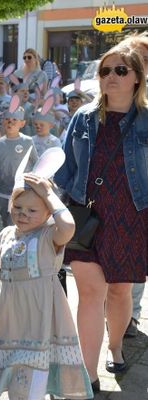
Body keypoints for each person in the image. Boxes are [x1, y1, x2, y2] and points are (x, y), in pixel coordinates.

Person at [54, 42, 148, 390]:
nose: (111, 76)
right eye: (105, 71)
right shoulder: (84, 117)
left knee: (120, 292)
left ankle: (117, 345)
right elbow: (64, 169)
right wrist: (42, 201)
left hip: (133, 216)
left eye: (120, 70)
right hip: (87, 216)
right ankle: (87, 374)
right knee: (91, 293)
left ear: (137, 78)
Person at [0, 153, 93, 400]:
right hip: (10, 314)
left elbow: (69, 226)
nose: (23, 214)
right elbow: (2, 258)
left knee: (33, 378)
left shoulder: (49, 236)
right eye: (18, 208)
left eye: (32, 210)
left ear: (47, 212)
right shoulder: (7, 233)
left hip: (39, 314)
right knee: (16, 375)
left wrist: (50, 195)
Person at [119, 31, 148, 338]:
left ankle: (130, 317)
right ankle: (116, 311)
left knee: (137, 262)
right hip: (111, 194)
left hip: (142, 197)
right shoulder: (107, 93)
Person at [0, 96, 39, 227]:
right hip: (4, 190)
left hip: (24, 190)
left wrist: (38, 184)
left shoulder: (27, 141)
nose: (10, 123)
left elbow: (36, 163)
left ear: (22, 123)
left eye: (15, 120)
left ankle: (20, 243)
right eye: (7, 120)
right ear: (2, 122)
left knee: (21, 220)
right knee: (5, 219)